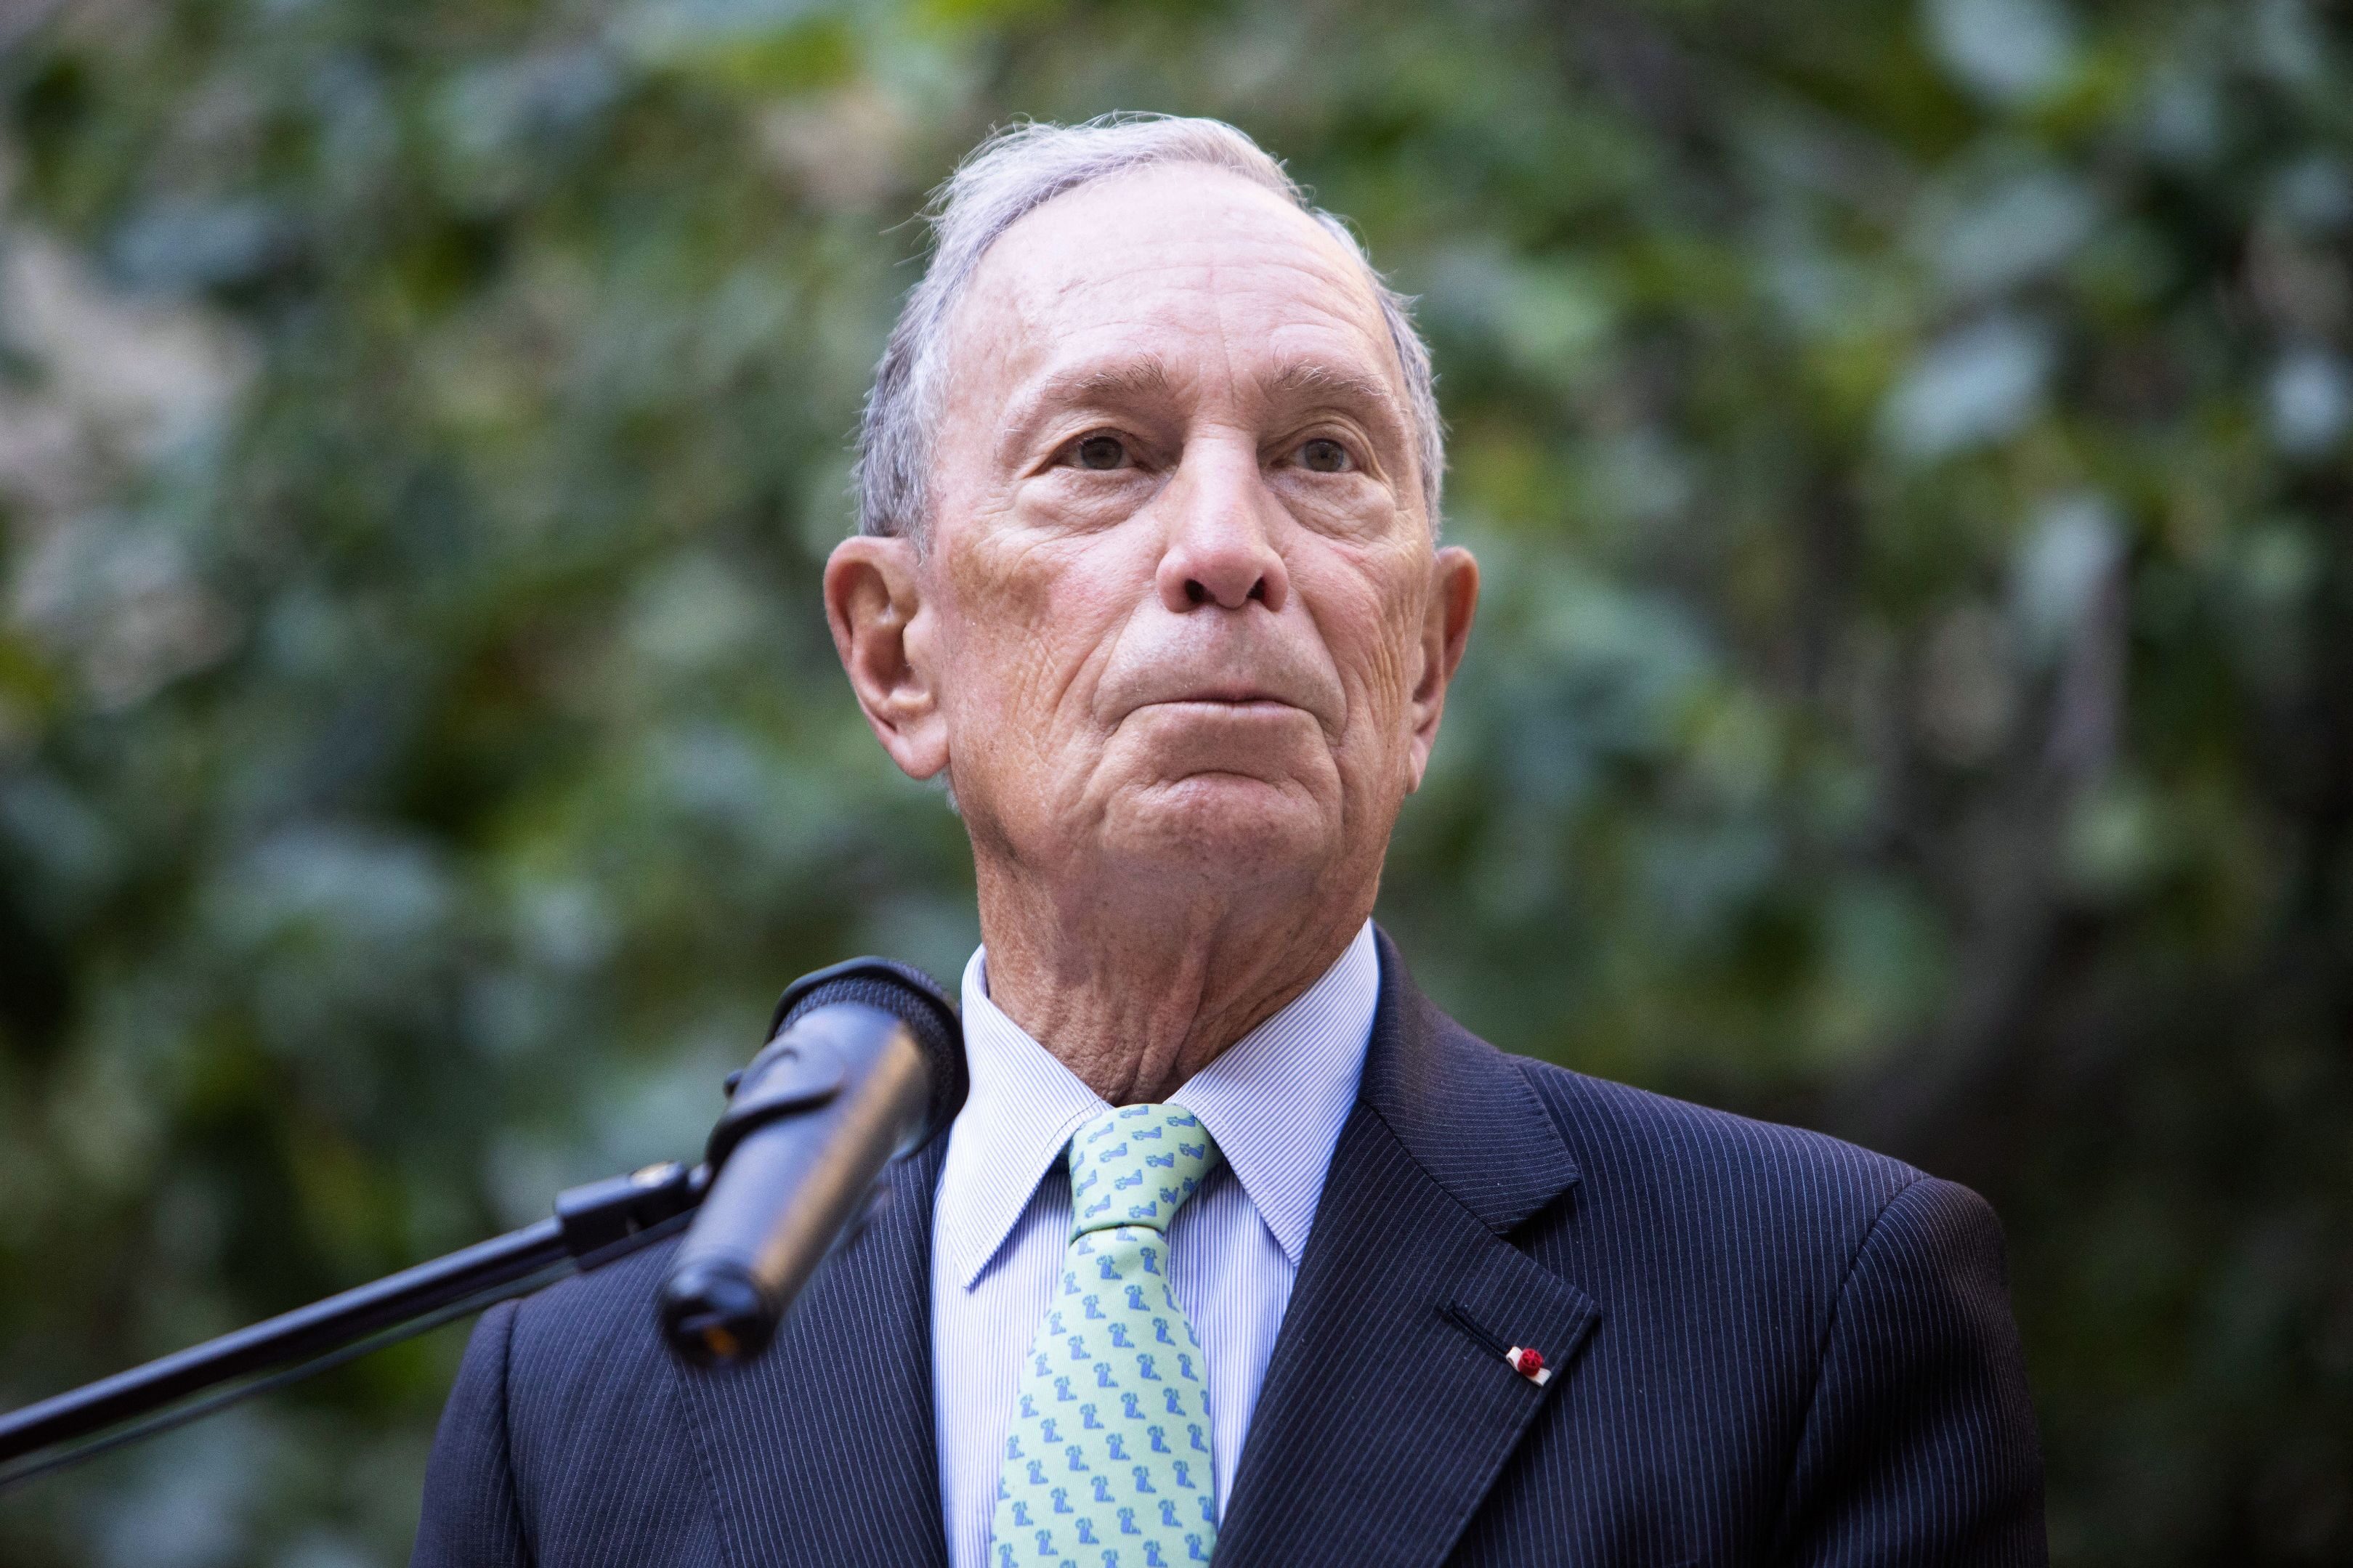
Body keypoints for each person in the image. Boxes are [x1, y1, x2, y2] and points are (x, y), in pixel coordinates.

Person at [412, 114, 2045, 1568]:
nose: (1222, 549)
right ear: (899, 653)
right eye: (1102, 454)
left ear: (1426, 660)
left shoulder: (1812, 1313)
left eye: (1321, 458)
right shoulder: (576, 1396)